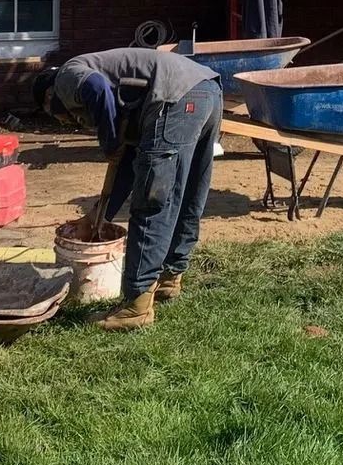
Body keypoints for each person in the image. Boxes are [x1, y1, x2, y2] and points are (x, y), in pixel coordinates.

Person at [48, 45, 222, 332]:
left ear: (48, 97)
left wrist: (109, 143)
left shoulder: (65, 77)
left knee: (153, 200)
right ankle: (170, 277)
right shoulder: (126, 90)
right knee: (189, 191)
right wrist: (99, 216)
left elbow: (96, 88)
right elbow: (128, 163)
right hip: (207, 90)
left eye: (64, 117)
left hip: (175, 95)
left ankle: (136, 305)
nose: (71, 121)